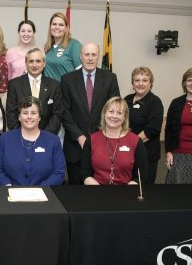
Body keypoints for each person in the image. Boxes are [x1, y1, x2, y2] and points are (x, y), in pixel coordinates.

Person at [62, 43, 120, 184]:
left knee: (99, 191)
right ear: (80, 57)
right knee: (75, 190)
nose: (90, 58)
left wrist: (99, 137)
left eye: (93, 54)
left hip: (102, 145)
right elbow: (64, 112)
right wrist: (79, 137)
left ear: (98, 57)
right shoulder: (67, 79)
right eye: (86, 54)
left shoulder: (110, 78)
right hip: (75, 145)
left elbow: (115, 110)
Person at [0, 96, 65, 186]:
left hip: (45, 194)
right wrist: (8, 186)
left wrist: (40, 190)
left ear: (39, 117)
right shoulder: (5, 139)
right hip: (10, 194)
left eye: (33, 113)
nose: (29, 117)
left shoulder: (53, 141)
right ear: (19, 117)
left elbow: (59, 173)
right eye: (25, 113)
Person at [81, 97, 148, 185]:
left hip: (126, 192)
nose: (114, 116)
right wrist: (99, 192)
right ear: (104, 114)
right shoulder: (91, 140)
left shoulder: (135, 141)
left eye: (119, 113)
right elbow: (85, 174)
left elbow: (141, 176)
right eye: (111, 111)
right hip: (97, 191)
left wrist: (125, 193)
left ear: (124, 118)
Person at [7, 47, 63, 134]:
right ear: (26, 63)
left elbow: (57, 114)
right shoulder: (14, 85)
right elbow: (11, 114)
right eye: (31, 61)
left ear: (44, 63)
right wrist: (21, 135)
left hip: (47, 136)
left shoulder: (55, 85)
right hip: (20, 137)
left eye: (38, 61)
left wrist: (44, 136)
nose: (34, 65)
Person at [124, 67, 164, 184]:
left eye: (145, 80)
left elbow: (152, 129)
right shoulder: (127, 100)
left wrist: (131, 144)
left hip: (146, 154)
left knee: (144, 189)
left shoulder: (155, 102)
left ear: (151, 83)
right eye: (137, 80)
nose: (140, 83)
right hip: (126, 153)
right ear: (132, 83)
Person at [43, 12, 82, 82]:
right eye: (54, 24)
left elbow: (81, 73)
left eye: (61, 25)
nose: (57, 27)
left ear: (66, 28)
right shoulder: (46, 47)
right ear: (50, 27)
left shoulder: (74, 45)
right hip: (49, 91)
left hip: (66, 90)